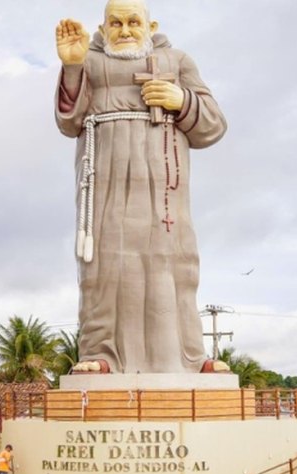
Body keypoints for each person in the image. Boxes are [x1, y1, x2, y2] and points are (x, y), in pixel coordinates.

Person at [56, 0, 229, 375]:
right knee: (104, 265)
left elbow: (213, 125)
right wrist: (71, 66)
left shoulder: (177, 61)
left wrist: (181, 100)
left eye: (134, 21)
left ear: (152, 26)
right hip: (104, 183)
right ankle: (101, 354)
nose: (125, 30)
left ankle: (189, 357)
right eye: (115, 23)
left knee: (173, 264)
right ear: (102, 28)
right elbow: (70, 123)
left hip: (165, 187)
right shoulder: (88, 61)